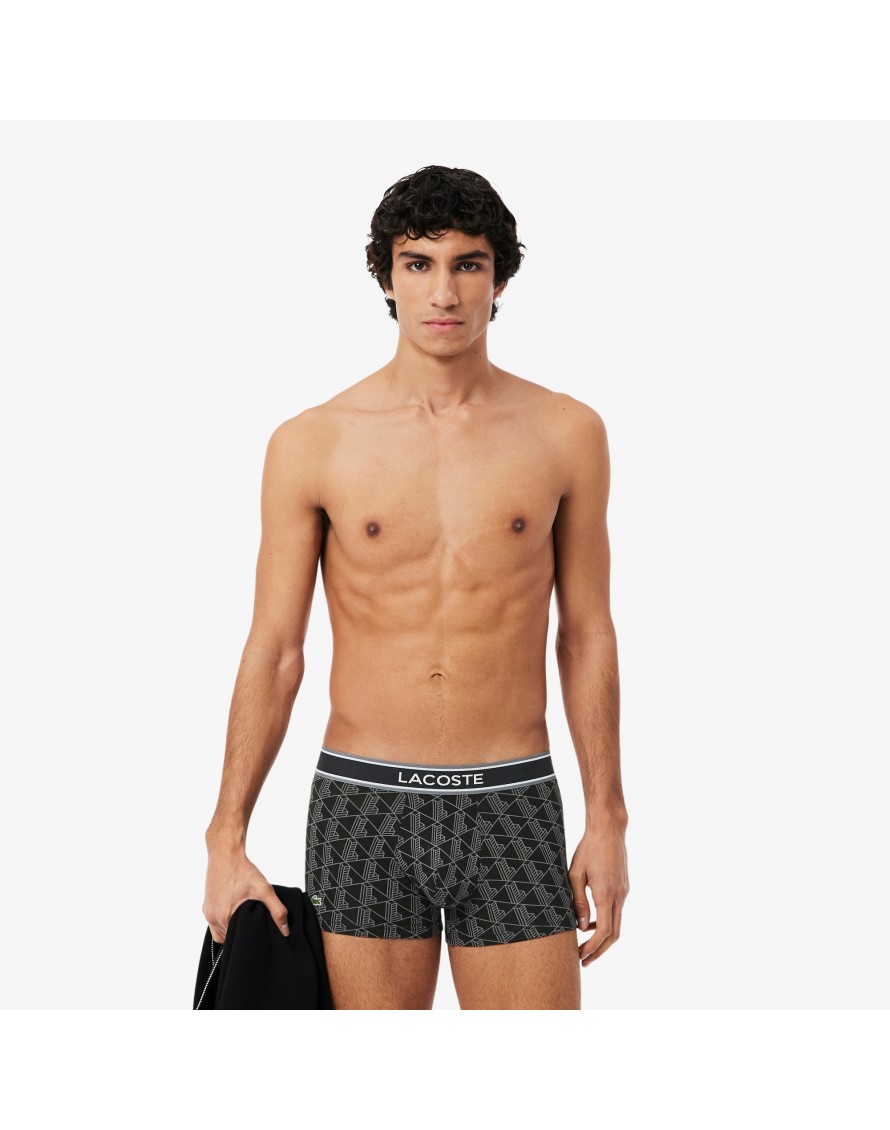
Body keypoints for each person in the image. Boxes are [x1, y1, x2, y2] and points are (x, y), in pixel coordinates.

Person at [202, 165, 629, 1009]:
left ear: (499, 278)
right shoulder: (312, 442)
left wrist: (608, 818)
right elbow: (276, 649)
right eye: (418, 263)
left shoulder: (566, 433)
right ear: (386, 276)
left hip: (512, 802)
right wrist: (225, 834)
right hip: (363, 806)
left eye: (468, 264)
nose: (443, 291)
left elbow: (586, 633)